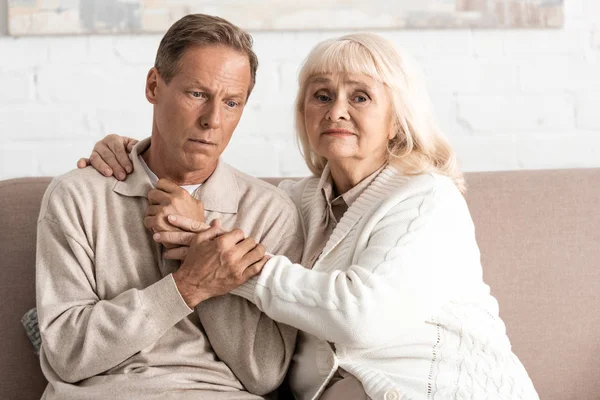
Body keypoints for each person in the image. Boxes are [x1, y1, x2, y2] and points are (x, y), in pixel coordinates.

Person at [83, 33, 540, 399]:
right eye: (321, 95)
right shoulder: (295, 202)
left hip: (438, 386)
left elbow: (361, 317)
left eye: (360, 97)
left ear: (397, 117)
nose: (336, 110)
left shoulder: (427, 198)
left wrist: (212, 250)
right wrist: (134, 154)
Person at [36, 14, 303, 400]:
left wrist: (202, 244)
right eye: (197, 94)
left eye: (232, 102)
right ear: (153, 86)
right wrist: (188, 286)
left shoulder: (271, 212)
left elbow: (263, 373)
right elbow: (67, 352)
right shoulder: (77, 196)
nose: (213, 120)